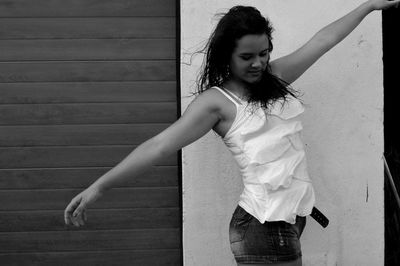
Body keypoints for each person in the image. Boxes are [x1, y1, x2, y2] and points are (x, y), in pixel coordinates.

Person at [64, 1, 400, 265]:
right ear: (228, 55)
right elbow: (160, 146)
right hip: (261, 226)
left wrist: (367, 6)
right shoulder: (217, 103)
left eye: (264, 53)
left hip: (289, 221)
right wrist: (101, 185)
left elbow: (324, 40)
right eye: (247, 57)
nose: (258, 63)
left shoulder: (276, 78)